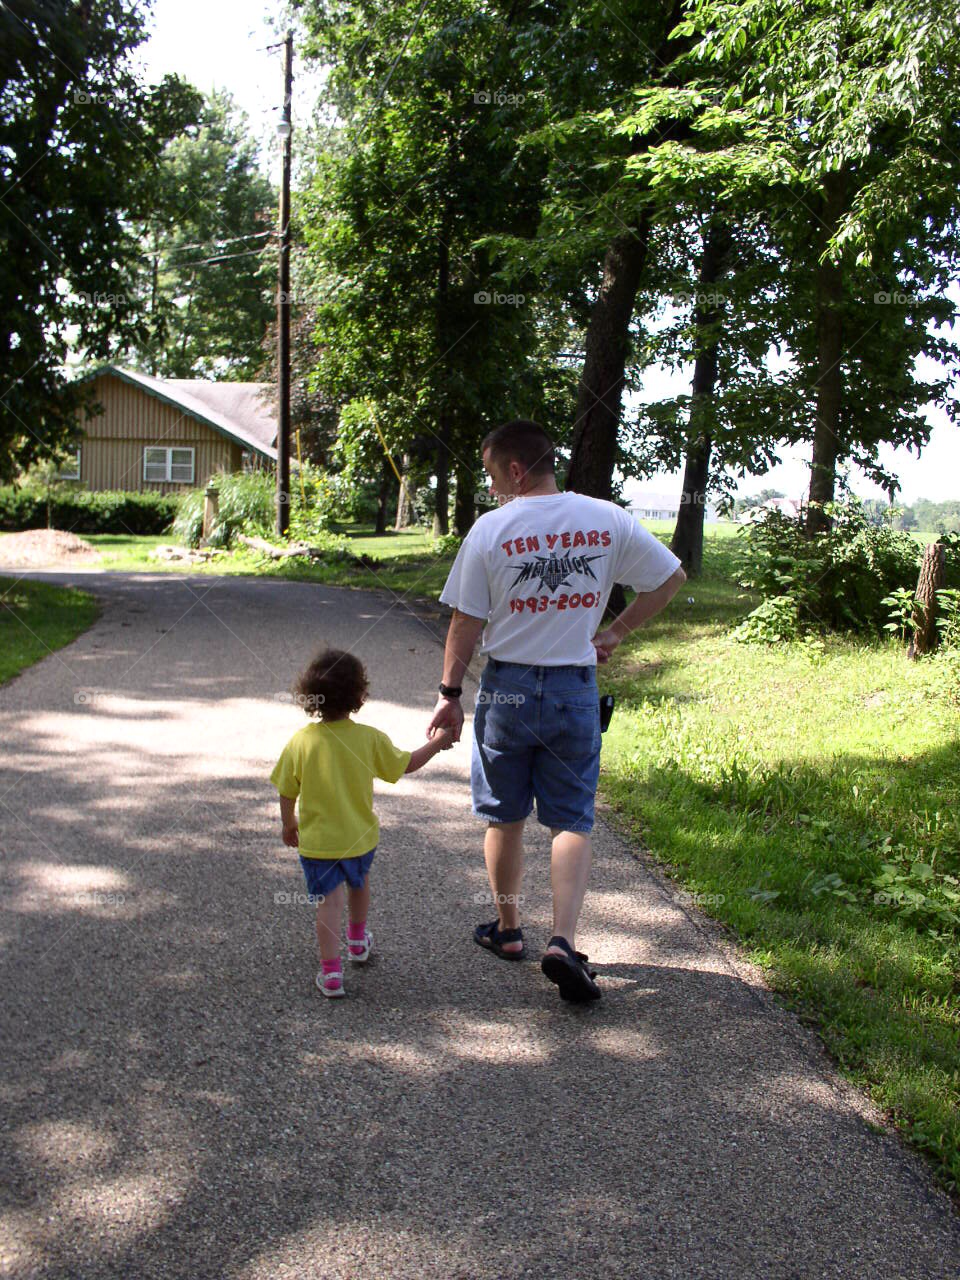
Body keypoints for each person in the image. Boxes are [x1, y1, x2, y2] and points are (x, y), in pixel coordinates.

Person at [427, 420, 686, 1003]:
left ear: (516, 469)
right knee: (571, 819)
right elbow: (671, 578)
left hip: (507, 691)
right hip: (574, 688)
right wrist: (616, 631)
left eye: (494, 474)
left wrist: (448, 695)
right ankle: (563, 942)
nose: (493, 488)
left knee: (505, 814)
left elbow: (466, 620)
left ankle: (510, 930)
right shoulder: (607, 518)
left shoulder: (492, 529)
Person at [272, 647, 455, 998]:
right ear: (360, 695)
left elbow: (286, 790)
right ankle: (357, 941)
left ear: (310, 697)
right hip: (359, 839)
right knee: (359, 884)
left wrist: (288, 824)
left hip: (319, 843)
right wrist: (438, 741)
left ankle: (331, 974)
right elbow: (406, 764)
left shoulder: (301, 742)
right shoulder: (368, 738)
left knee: (329, 902)